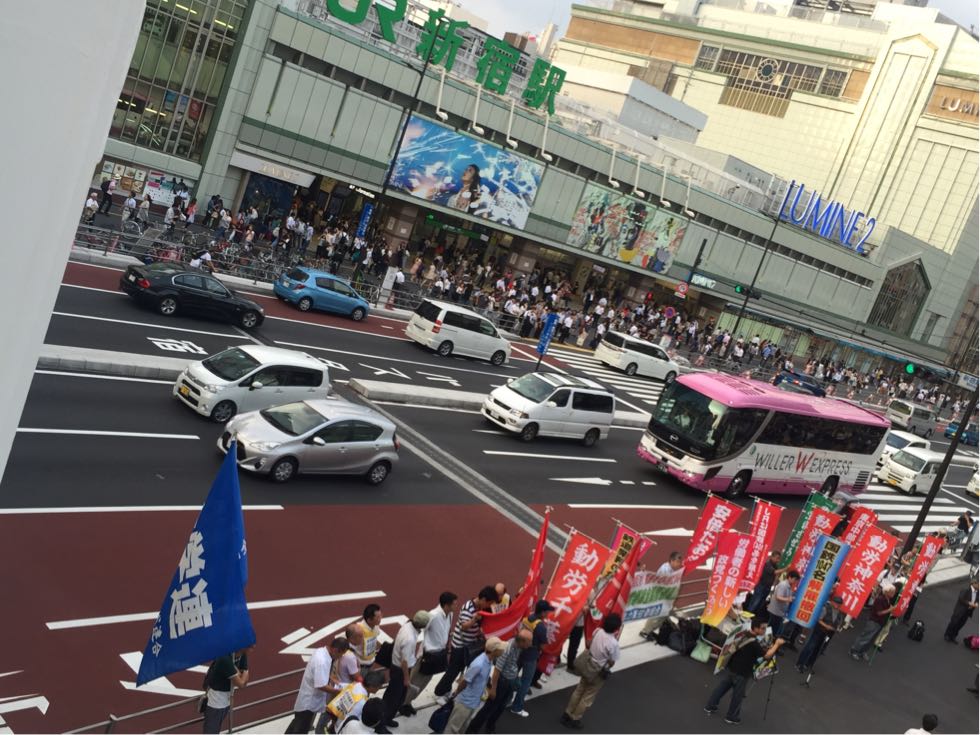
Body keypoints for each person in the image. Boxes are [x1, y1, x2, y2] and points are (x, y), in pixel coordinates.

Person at [703, 618, 785, 725]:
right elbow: (766, 656)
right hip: (742, 673)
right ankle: (731, 716)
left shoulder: (744, 634)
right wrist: (776, 645)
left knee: (722, 688)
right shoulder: (754, 644)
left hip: (732, 667)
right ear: (755, 628)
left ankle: (710, 705)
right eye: (762, 628)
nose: (764, 630)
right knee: (738, 695)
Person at [434, 586, 499, 701]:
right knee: (453, 670)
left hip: (470, 645)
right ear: (483, 599)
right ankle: (440, 692)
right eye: (489, 603)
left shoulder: (480, 607)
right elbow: (464, 626)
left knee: (464, 668)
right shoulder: (468, 608)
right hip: (460, 646)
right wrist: (474, 619)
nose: (489, 606)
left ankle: (448, 690)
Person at [561, 613, 622, 730]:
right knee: (587, 696)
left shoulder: (598, 631)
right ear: (616, 629)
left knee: (579, 690)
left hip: (587, 664)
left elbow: (589, 643)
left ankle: (567, 713)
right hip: (598, 671)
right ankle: (575, 718)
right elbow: (612, 662)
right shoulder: (613, 643)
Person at [466, 630, 531, 734]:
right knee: (489, 708)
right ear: (522, 641)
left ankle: (490, 727)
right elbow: (497, 670)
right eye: (529, 641)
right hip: (502, 682)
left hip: (510, 681)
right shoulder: (507, 649)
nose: (530, 644)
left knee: (501, 707)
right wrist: (493, 689)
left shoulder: (519, 647)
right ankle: (472, 731)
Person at [403, 592, 457, 716]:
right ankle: (403, 703)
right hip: (427, 655)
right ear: (446, 605)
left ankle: (408, 702)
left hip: (438, 655)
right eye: (454, 604)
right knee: (415, 681)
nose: (456, 606)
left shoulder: (450, 614)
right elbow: (418, 627)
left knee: (424, 683)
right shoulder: (433, 615)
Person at [446, 638, 506, 734]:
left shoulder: (489, 661)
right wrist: (456, 693)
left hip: (473, 702)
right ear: (494, 651)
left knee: (462, 728)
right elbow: (464, 681)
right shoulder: (479, 664)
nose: (503, 651)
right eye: (501, 649)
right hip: (465, 702)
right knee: (452, 729)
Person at [381, 610, 430, 729]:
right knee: (395, 699)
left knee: (391, 695)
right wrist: (407, 679)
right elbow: (404, 662)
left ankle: (384, 717)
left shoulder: (407, 625)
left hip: (395, 666)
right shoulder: (410, 639)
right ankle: (384, 721)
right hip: (400, 670)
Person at [509, 600, 555, 718]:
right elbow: (543, 647)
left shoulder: (527, 618)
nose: (548, 614)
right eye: (547, 611)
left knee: (512, 675)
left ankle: (507, 699)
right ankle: (517, 707)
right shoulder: (541, 627)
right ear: (543, 612)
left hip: (520, 652)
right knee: (526, 682)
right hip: (531, 657)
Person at [286, 640, 337, 733]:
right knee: (300, 729)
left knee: (296, 725)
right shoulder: (322, 661)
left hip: (306, 700)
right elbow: (321, 685)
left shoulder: (320, 651)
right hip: (308, 704)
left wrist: (330, 678)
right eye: (340, 655)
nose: (339, 657)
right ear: (335, 650)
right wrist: (337, 691)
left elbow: (319, 674)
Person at [202, 644, 253, 733]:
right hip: (216, 702)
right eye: (251, 647)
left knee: (215, 728)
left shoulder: (242, 654)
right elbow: (241, 684)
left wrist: (240, 672)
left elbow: (244, 681)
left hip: (227, 699)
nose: (253, 649)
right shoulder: (224, 658)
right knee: (211, 731)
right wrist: (242, 673)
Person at [639, 551, 685, 640]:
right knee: (657, 615)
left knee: (664, 614)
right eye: (678, 562)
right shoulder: (665, 570)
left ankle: (658, 626)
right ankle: (645, 632)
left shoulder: (670, 568)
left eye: (680, 562)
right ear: (672, 560)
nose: (679, 564)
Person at [795, 595, 843, 673]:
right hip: (819, 631)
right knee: (810, 646)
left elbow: (838, 623)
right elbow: (818, 619)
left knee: (818, 650)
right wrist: (826, 626)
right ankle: (800, 663)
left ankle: (809, 664)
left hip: (829, 634)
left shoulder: (839, 614)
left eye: (839, 604)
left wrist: (838, 628)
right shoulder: (825, 608)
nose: (837, 605)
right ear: (832, 602)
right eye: (836, 603)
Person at [849, 583, 897, 660]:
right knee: (865, 637)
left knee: (871, 639)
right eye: (892, 592)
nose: (893, 593)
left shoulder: (888, 600)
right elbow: (879, 612)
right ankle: (854, 651)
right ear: (887, 591)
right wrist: (889, 610)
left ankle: (863, 651)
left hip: (880, 622)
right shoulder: (880, 599)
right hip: (874, 621)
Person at [744, 550, 789, 615]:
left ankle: (753, 616)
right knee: (755, 601)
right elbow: (774, 572)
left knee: (761, 603)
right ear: (772, 557)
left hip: (768, 586)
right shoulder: (768, 564)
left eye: (779, 559)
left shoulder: (775, 565)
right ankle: (746, 615)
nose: (778, 560)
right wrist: (786, 569)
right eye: (777, 558)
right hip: (761, 585)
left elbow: (776, 574)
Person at [766, 569, 800, 637]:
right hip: (775, 611)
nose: (795, 582)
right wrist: (788, 599)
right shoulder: (783, 585)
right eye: (795, 579)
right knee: (770, 629)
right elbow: (778, 597)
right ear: (790, 577)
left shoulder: (789, 586)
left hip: (779, 612)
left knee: (774, 630)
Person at [943, 578, 978, 643]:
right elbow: (961, 598)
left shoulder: (977, 593)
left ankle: (953, 636)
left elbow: (977, 600)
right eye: (979, 584)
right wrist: (969, 603)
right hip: (960, 610)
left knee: (960, 625)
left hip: (967, 612)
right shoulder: (966, 589)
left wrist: (976, 603)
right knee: (953, 623)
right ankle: (947, 635)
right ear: (974, 584)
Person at [353, 604, 383, 676]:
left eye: (381, 615)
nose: (381, 618)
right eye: (378, 617)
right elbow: (348, 645)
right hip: (361, 666)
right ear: (369, 620)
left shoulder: (375, 626)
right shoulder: (357, 630)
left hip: (371, 662)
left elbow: (374, 638)